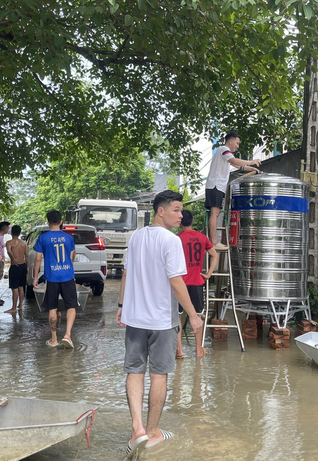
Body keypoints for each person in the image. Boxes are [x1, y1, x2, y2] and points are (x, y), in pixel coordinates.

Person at [116, 190, 203, 457]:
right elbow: (176, 282)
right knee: (158, 375)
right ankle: (152, 432)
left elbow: (126, 274)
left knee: (134, 371)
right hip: (162, 321)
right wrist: (194, 315)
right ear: (161, 211)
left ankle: (137, 429)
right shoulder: (171, 241)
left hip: (135, 319)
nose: (181, 215)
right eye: (176, 210)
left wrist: (121, 307)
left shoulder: (136, 238)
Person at [205, 131, 261, 248]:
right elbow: (235, 161)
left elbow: (238, 166)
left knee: (216, 213)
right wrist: (252, 161)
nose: (237, 146)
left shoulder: (225, 154)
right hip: (215, 185)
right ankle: (213, 242)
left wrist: (252, 168)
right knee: (214, 213)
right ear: (230, 141)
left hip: (217, 186)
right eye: (237, 143)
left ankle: (213, 240)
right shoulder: (223, 149)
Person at [176, 209, 218, 359]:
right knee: (197, 316)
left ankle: (179, 350)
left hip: (180, 283)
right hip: (197, 282)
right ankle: (199, 349)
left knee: (178, 317)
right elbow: (215, 255)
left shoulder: (177, 238)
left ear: (180, 223)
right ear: (192, 221)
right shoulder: (202, 237)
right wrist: (208, 274)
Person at [33, 210, 76, 348]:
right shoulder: (68, 238)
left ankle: (54, 339)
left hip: (52, 277)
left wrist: (35, 277)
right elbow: (72, 256)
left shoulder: (43, 238)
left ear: (48, 222)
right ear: (61, 222)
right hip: (67, 276)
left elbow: (38, 259)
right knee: (71, 306)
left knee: (52, 307)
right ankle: (68, 335)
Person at [5, 225, 29, 314]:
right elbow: (27, 255)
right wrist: (27, 267)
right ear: (19, 233)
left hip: (15, 266)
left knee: (14, 287)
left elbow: (8, 251)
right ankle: (21, 305)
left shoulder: (9, 243)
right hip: (22, 265)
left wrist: (13, 259)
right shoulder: (24, 243)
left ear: (11, 233)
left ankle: (14, 307)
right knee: (21, 287)